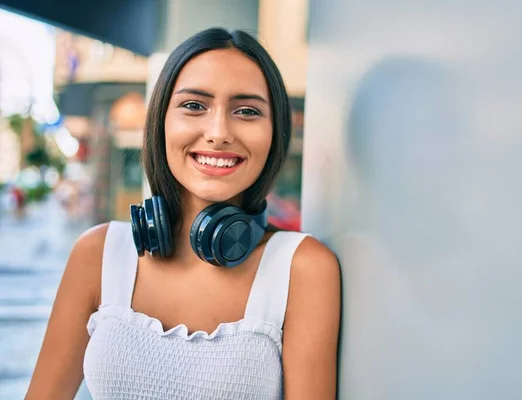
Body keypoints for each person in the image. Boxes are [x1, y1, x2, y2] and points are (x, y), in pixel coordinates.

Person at [26, 28, 341, 399]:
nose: (219, 132)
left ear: (275, 133)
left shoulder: (302, 268)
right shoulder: (99, 253)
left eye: (247, 111)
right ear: (161, 121)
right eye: (194, 105)